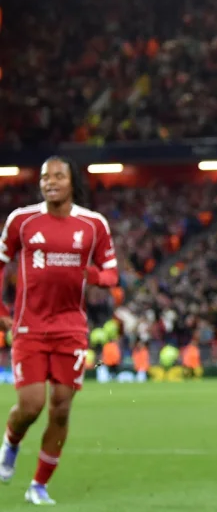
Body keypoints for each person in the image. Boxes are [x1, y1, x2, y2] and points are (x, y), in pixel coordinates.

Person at [0, 157, 118, 505]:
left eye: (58, 176)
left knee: (61, 409)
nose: (49, 181)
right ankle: (11, 442)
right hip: (29, 325)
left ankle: (38, 484)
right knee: (31, 405)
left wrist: (91, 275)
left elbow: (111, 273)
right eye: (44, 177)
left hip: (70, 328)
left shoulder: (93, 224)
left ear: (71, 182)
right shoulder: (21, 220)